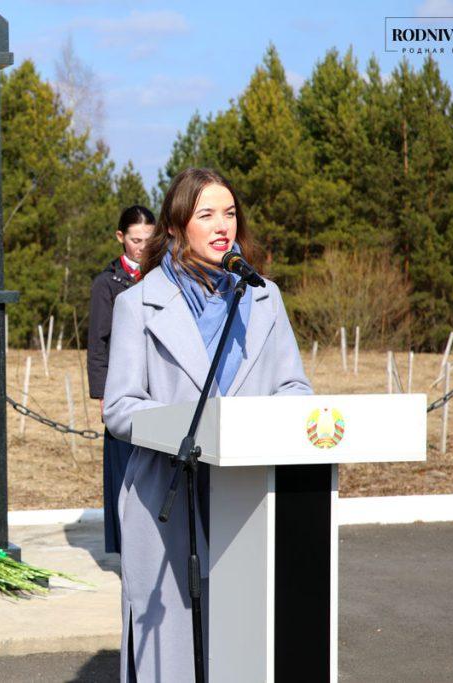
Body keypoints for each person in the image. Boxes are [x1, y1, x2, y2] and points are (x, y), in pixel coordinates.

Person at [103, 167, 312, 681]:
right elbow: (120, 407)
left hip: (249, 495)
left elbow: (294, 388)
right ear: (176, 228)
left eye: (230, 214)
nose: (223, 226)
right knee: (172, 651)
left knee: (244, 643)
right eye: (207, 215)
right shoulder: (137, 305)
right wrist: (191, 431)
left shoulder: (265, 297)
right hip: (168, 497)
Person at [87, 205, 155, 554]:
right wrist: (102, 393)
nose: (141, 247)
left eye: (148, 239)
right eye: (134, 240)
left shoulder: (164, 276)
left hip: (158, 391)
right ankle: (127, 547)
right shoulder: (107, 283)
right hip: (122, 388)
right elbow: (98, 342)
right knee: (123, 467)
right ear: (120, 238)